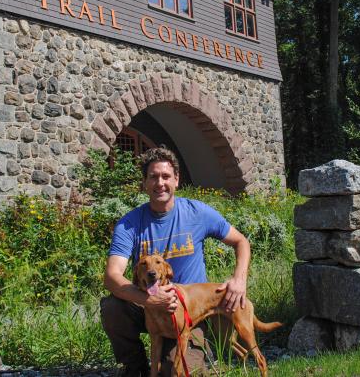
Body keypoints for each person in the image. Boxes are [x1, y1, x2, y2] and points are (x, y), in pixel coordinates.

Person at [101, 147, 251, 377]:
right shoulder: (129, 224)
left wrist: (239, 280)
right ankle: (135, 367)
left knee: (174, 372)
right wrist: (150, 299)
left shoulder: (197, 212)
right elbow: (112, 277)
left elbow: (241, 241)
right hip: (147, 308)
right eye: (153, 177)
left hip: (188, 314)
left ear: (177, 180)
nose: (160, 183)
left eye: (166, 176)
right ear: (144, 183)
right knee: (112, 307)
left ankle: (198, 349)